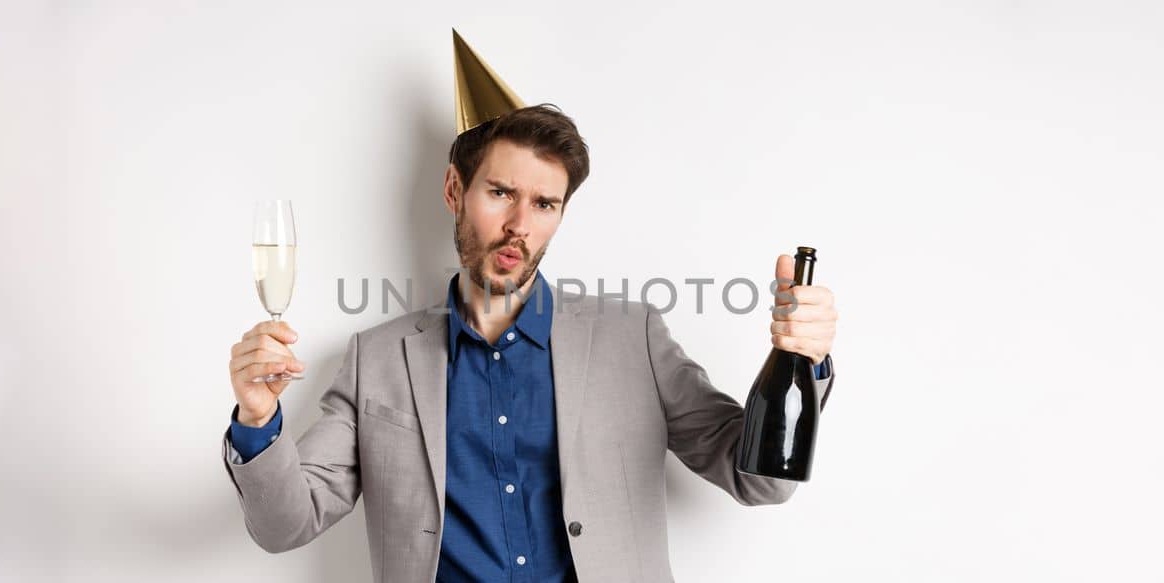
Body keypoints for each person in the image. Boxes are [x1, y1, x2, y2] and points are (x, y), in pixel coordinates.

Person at [221, 30, 838, 583]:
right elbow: (284, 527)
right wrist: (255, 419)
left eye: (545, 204)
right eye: (500, 193)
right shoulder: (375, 359)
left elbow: (759, 480)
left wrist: (800, 366)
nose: (520, 224)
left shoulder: (635, 339)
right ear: (454, 190)